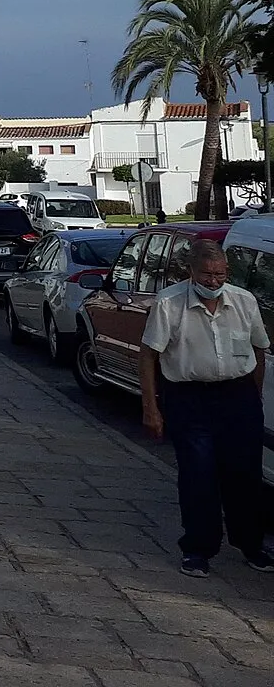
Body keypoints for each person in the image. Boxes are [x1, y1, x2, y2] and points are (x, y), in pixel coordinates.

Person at [140, 238, 273, 577]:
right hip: (189, 397)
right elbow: (149, 355)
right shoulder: (169, 303)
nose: (214, 282)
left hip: (238, 396)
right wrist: (150, 408)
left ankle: (251, 544)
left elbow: (259, 349)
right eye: (207, 274)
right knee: (198, 474)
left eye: (220, 275)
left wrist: (253, 396)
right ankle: (198, 548)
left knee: (244, 474)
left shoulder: (244, 302)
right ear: (191, 272)